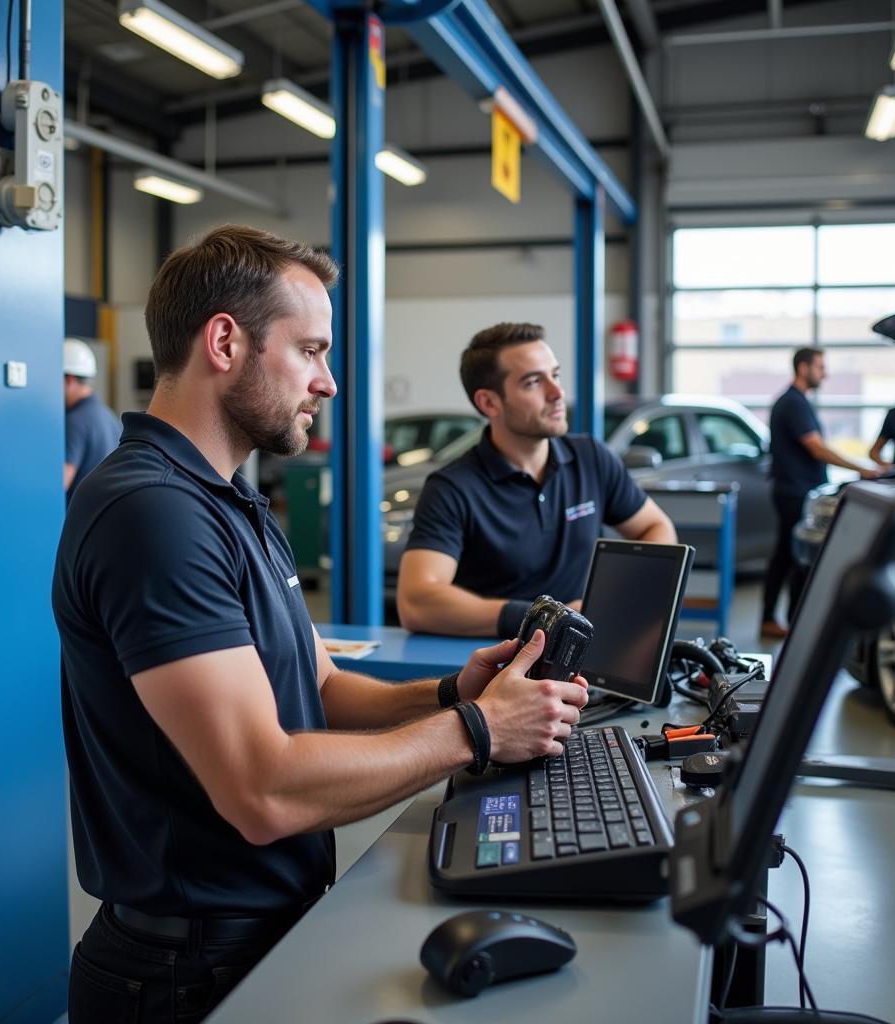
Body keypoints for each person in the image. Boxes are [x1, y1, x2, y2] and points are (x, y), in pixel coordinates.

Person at [52, 226, 589, 1024]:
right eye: (311, 351)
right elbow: (262, 789)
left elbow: (322, 685)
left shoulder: (231, 501)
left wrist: (450, 692)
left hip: (259, 932)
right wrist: (479, 730)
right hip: (183, 973)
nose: (329, 383)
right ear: (226, 342)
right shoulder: (152, 514)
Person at [396, 322, 676, 638]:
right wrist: (543, 619)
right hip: (498, 665)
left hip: (582, 652)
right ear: (489, 403)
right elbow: (417, 602)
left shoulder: (591, 458)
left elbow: (657, 527)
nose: (557, 393)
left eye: (555, 375)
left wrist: (613, 599)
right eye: (533, 382)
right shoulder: (453, 488)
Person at [760, 347, 879, 639]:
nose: (824, 374)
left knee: (791, 556)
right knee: (792, 557)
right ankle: (780, 620)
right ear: (803, 368)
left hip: (796, 489)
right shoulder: (793, 403)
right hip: (794, 491)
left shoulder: (796, 401)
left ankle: (788, 618)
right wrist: (861, 468)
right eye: (820, 367)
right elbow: (817, 448)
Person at [63, 337, 122, 503]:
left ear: (69, 380)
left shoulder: (74, 421)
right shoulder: (108, 415)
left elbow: (59, 484)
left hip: (78, 518)